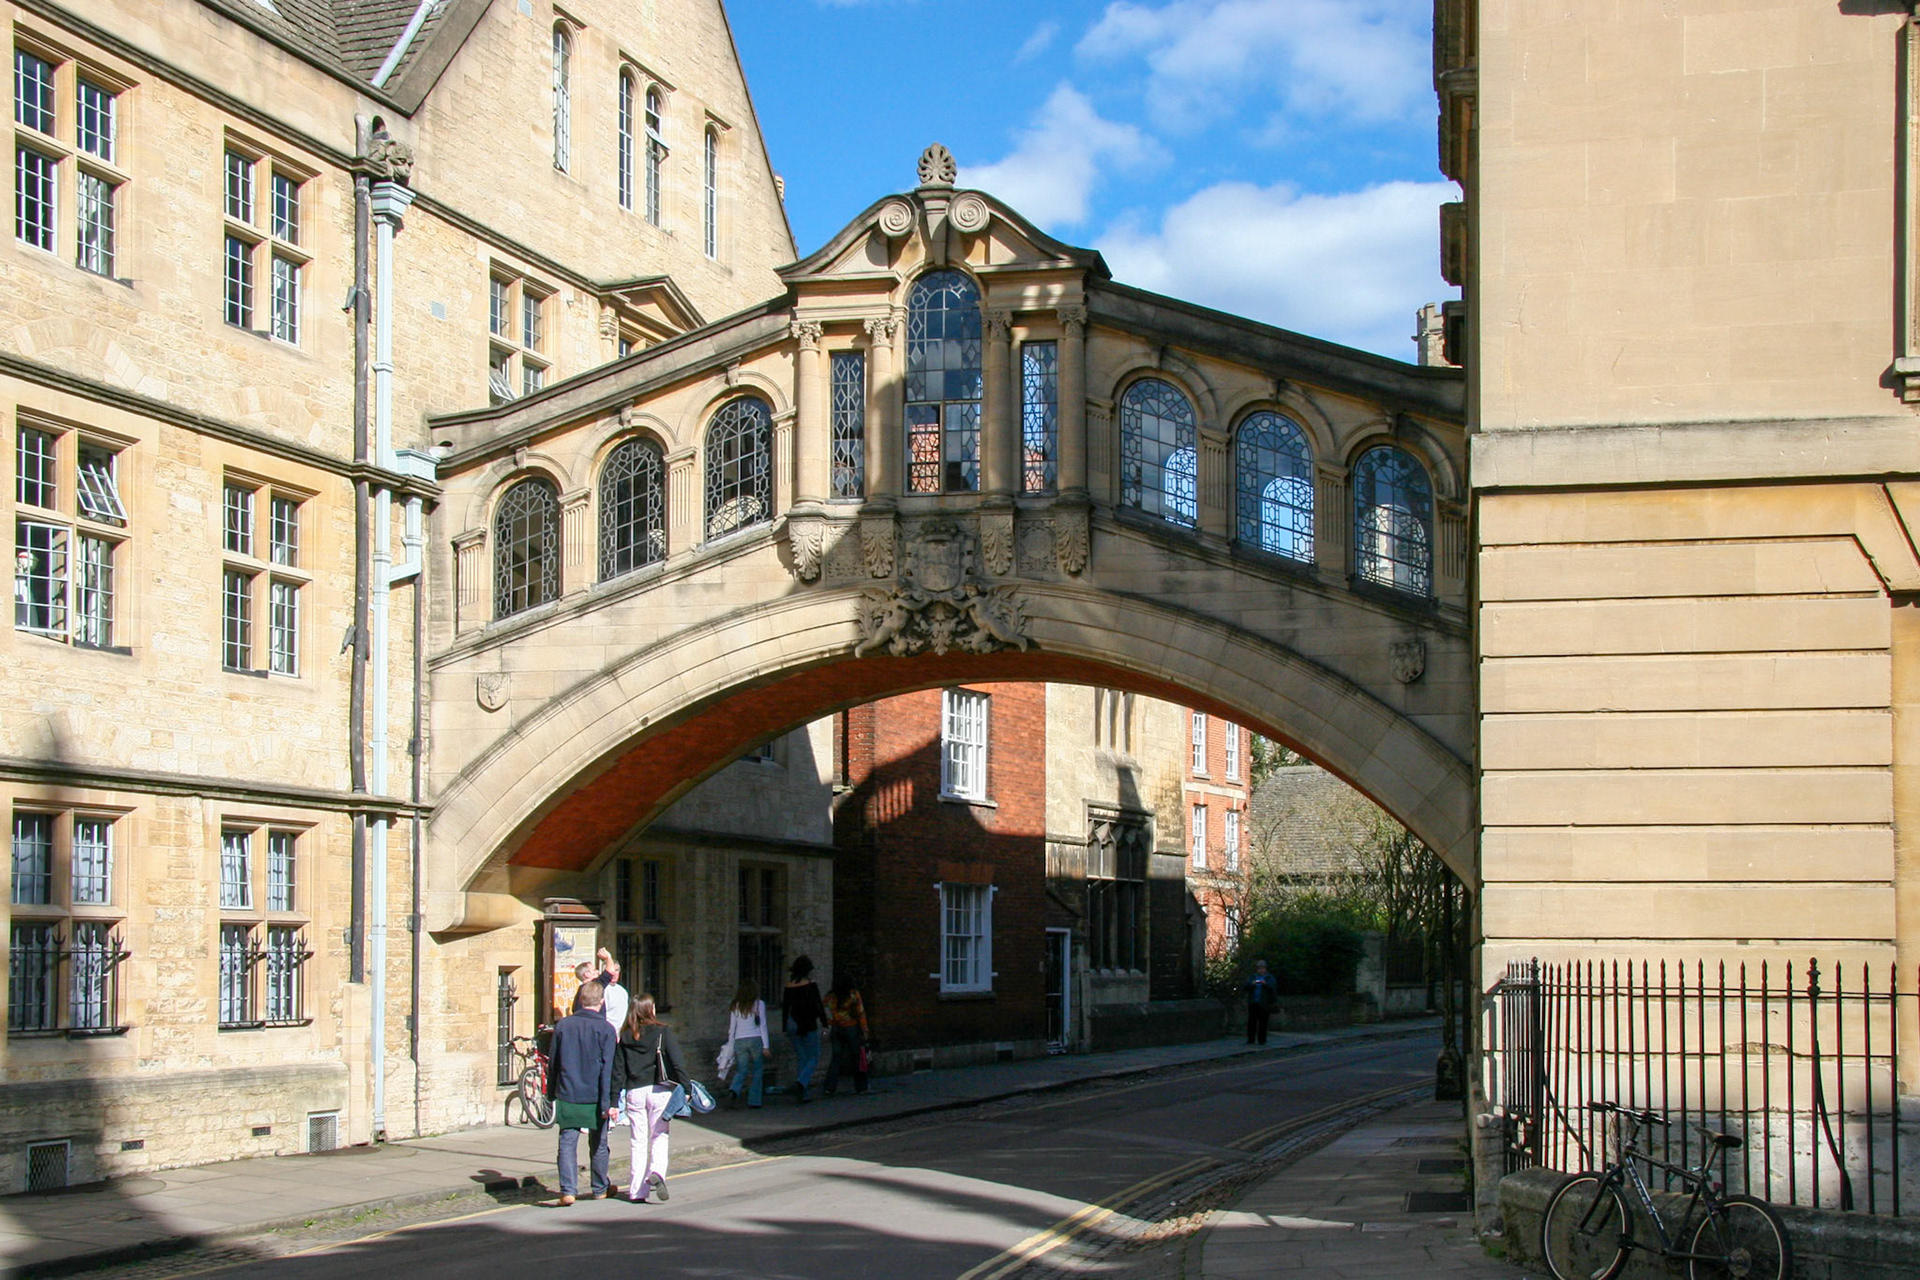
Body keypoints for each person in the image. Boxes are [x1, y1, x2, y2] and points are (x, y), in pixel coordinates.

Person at [610, 993, 691, 1204]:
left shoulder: (625, 1036)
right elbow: (677, 1062)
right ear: (650, 1010)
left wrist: (612, 1102)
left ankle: (637, 1191)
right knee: (659, 1135)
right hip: (659, 1090)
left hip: (635, 1091)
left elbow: (618, 1071)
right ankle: (656, 1172)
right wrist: (687, 1087)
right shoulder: (663, 1032)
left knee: (638, 1140)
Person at [544, 979, 617, 1205]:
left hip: (568, 1091)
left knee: (567, 1142)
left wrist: (551, 1091)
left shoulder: (564, 1025)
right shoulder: (606, 1028)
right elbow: (609, 1068)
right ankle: (599, 1187)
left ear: (581, 1000)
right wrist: (608, 1101)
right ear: (601, 1002)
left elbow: (553, 1061)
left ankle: (568, 1190)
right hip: (595, 1094)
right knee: (599, 1143)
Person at [781, 955, 827, 1104]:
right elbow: (818, 1005)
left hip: (793, 1023)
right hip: (808, 1023)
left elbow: (786, 1007)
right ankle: (801, 1083)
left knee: (801, 1057)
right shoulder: (810, 984)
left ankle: (803, 1094)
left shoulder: (789, 985)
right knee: (814, 1056)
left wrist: (784, 1027)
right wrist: (824, 1023)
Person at [723, 979, 770, 1108]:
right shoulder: (759, 1004)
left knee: (741, 1070)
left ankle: (734, 1090)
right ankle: (754, 1101)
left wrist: (731, 1045)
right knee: (757, 1070)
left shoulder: (736, 1005)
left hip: (739, 1039)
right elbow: (763, 1025)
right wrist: (766, 1046)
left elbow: (732, 1028)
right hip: (755, 1039)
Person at [822, 971, 869, 1096]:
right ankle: (861, 1086)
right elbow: (861, 1012)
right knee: (856, 1058)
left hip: (836, 1029)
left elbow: (822, 1008)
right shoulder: (853, 995)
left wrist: (830, 1021)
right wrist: (865, 1029)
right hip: (851, 1028)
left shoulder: (831, 996)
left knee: (836, 1058)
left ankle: (829, 1087)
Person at [1245, 958, 1279, 1046]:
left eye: (1263, 968)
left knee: (1263, 1022)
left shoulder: (1269, 977)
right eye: (1259, 968)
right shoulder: (1253, 977)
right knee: (1252, 1021)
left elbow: (1273, 989)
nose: (1261, 970)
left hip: (1264, 1003)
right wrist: (1251, 984)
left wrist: (1265, 984)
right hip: (1253, 1002)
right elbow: (1246, 986)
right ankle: (1251, 1039)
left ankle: (1262, 1040)